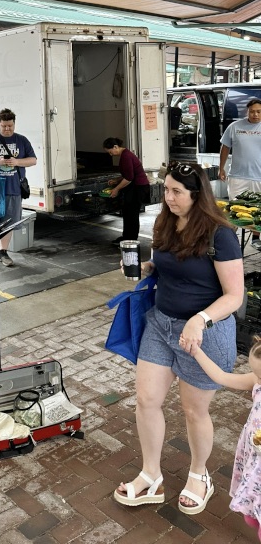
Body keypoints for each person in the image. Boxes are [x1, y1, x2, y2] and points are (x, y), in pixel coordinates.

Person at [113, 162, 243, 514]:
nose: (167, 197)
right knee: (146, 399)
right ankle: (150, 475)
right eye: (166, 189)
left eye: (176, 192)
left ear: (196, 194)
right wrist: (147, 268)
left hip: (205, 333)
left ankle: (200, 475)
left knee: (193, 410)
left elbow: (234, 296)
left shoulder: (220, 235)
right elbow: (168, 264)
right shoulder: (164, 221)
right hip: (160, 323)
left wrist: (199, 320)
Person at [185, 336, 261, 535]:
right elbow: (221, 376)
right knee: (252, 516)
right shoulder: (256, 379)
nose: (257, 380)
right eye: (256, 374)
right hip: (255, 458)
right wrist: (197, 352)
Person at [0, 109, 37, 268]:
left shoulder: (22, 140)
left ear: (14, 124)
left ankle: (3, 252)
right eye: (4, 126)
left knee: (8, 224)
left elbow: (33, 160)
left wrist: (17, 162)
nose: (7, 129)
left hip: (13, 189)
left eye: (10, 126)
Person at [219, 98, 261, 251]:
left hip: (259, 177)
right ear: (247, 111)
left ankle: (256, 238)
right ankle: (229, 242)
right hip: (238, 177)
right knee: (235, 210)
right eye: (252, 111)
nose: (255, 115)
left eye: (258, 112)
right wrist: (221, 168)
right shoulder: (235, 127)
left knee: (257, 210)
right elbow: (225, 148)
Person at [102, 138, 150, 245]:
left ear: (115, 147)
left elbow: (129, 177)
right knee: (127, 212)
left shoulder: (126, 156)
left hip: (139, 187)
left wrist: (116, 189)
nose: (111, 154)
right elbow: (127, 174)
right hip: (134, 186)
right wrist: (116, 180)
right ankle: (126, 237)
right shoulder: (124, 155)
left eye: (110, 152)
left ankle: (131, 239)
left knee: (132, 214)